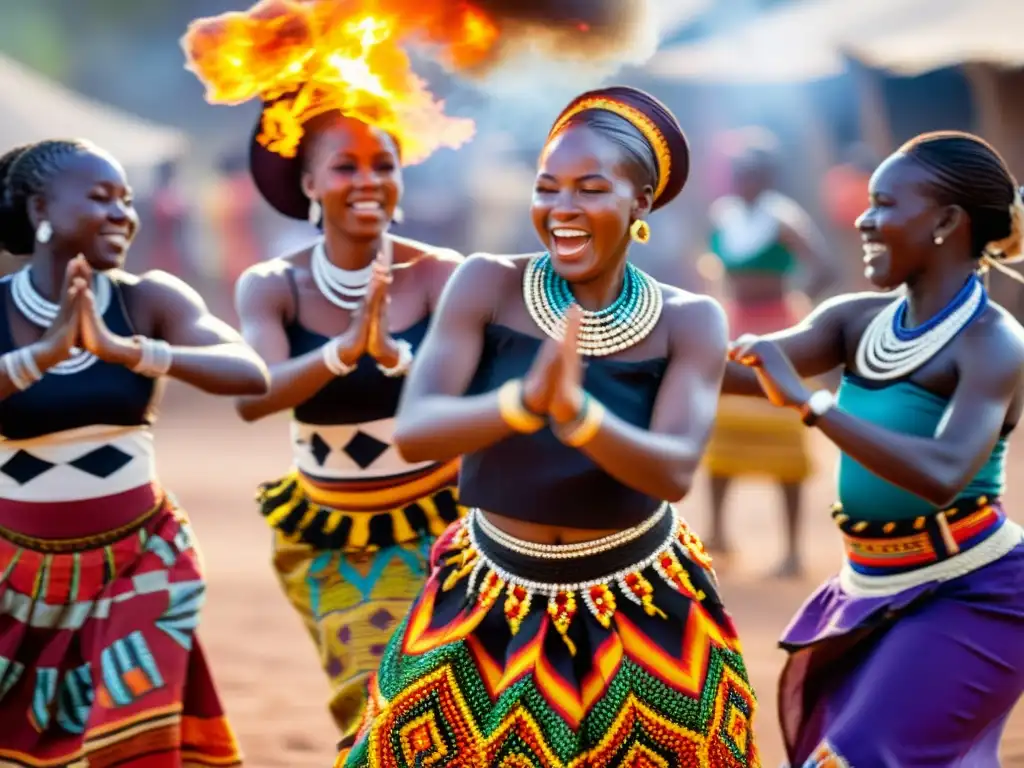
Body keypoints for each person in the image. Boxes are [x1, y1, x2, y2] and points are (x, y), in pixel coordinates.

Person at [337, 85, 761, 768]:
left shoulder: (691, 319)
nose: (562, 209)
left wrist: (578, 415)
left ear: (641, 203)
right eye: (548, 188)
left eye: (590, 189)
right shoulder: (487, 284)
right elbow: (417, 427)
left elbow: (675, 469)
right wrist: (519, 406)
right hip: (483, 604)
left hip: (643, 609)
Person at [723, 131, 1024, 766]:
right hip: (870, 587)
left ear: (946, 221)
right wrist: (628, 325)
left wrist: (813, 406)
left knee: (851, 756)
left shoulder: (992, 342)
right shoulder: (854, 320)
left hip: (973, 590)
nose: (863, 218)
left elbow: (943, 472)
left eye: (885, 204)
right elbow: (731, 370)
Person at [0, 139, 269, 765]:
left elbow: (248, 371)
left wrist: (133, 351)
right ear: (41, 206)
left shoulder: (147, 298)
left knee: (132, 726)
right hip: (15, 569)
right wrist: (38, 359)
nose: (125, 213)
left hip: (143, 556)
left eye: (127, 198)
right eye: (101, 198)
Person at [233, 102, 464, 743]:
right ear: (309, 185)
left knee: (456, 708)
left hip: (445, 528)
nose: (368, 180)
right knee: (375, 709)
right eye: (345, 166)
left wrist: (398, 356)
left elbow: (472, 392)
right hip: (332, 538)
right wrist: (342, 353)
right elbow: (256, 397)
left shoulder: (444, 274)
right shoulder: (273, 284)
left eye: (383, 164)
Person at [702, 127, 838, 577]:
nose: (744, 181)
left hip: (778, 324)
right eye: (739, 173)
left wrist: (795, 304)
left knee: (783, 432)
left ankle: (793, 549)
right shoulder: (724, 216)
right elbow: (715, 269)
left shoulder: (783, 218)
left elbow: (823, 266)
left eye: (752, 173)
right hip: (735, 323)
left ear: (768, 177)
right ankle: (719, 532)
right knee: (724, 430)